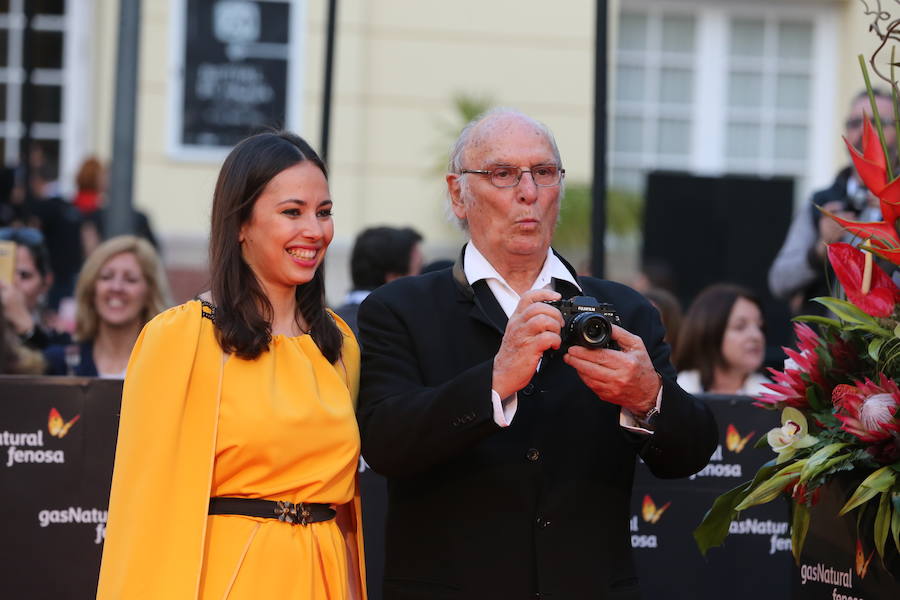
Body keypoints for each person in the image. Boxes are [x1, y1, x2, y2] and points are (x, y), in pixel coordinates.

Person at [356, 109, 718, 599]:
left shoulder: (626, 311)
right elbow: (385, 443)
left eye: (544, 173)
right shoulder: (399, 309)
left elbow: (691, 453)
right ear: (458, 193)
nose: (528, 192)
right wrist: (495, 382)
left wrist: (649, 397)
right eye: (503, 174)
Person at [96, 132, 366, 599]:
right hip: (232, 579)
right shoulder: (182, 338)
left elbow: (347, 512)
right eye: (292, 212)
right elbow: (146, 510)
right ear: (241, 222)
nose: (315, 230)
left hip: (326, 579)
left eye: (324, 212)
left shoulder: (338, 344)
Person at [769, 90, 896, 315]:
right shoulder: (822, 202)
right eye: (855, 123)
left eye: (876, 122)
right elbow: (780, 281)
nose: (863, 131)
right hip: (830, 344)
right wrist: (821, 248)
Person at [43, 235, 170, 377]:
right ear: (91, 289)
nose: (116, 287)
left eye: (130, 279)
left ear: (150, 293)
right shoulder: (59, 363)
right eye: (106, 277)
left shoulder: (169, 366)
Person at [673, 284, 770, 396]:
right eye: (740, 326)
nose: (756, 335)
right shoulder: (677, 394)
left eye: (760, 326)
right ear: (710, 330)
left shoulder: (776, 402)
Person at [335, 225, 423, 334]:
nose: (423, 280)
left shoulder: (325, 322)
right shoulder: (393, 331)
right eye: (419, 269)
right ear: (395, 278)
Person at [0, 226, 66, 349]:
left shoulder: (58, 336)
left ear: (46, 282)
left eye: (24, 275)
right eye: (3, 273)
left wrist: (25, 327)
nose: (11, 284)